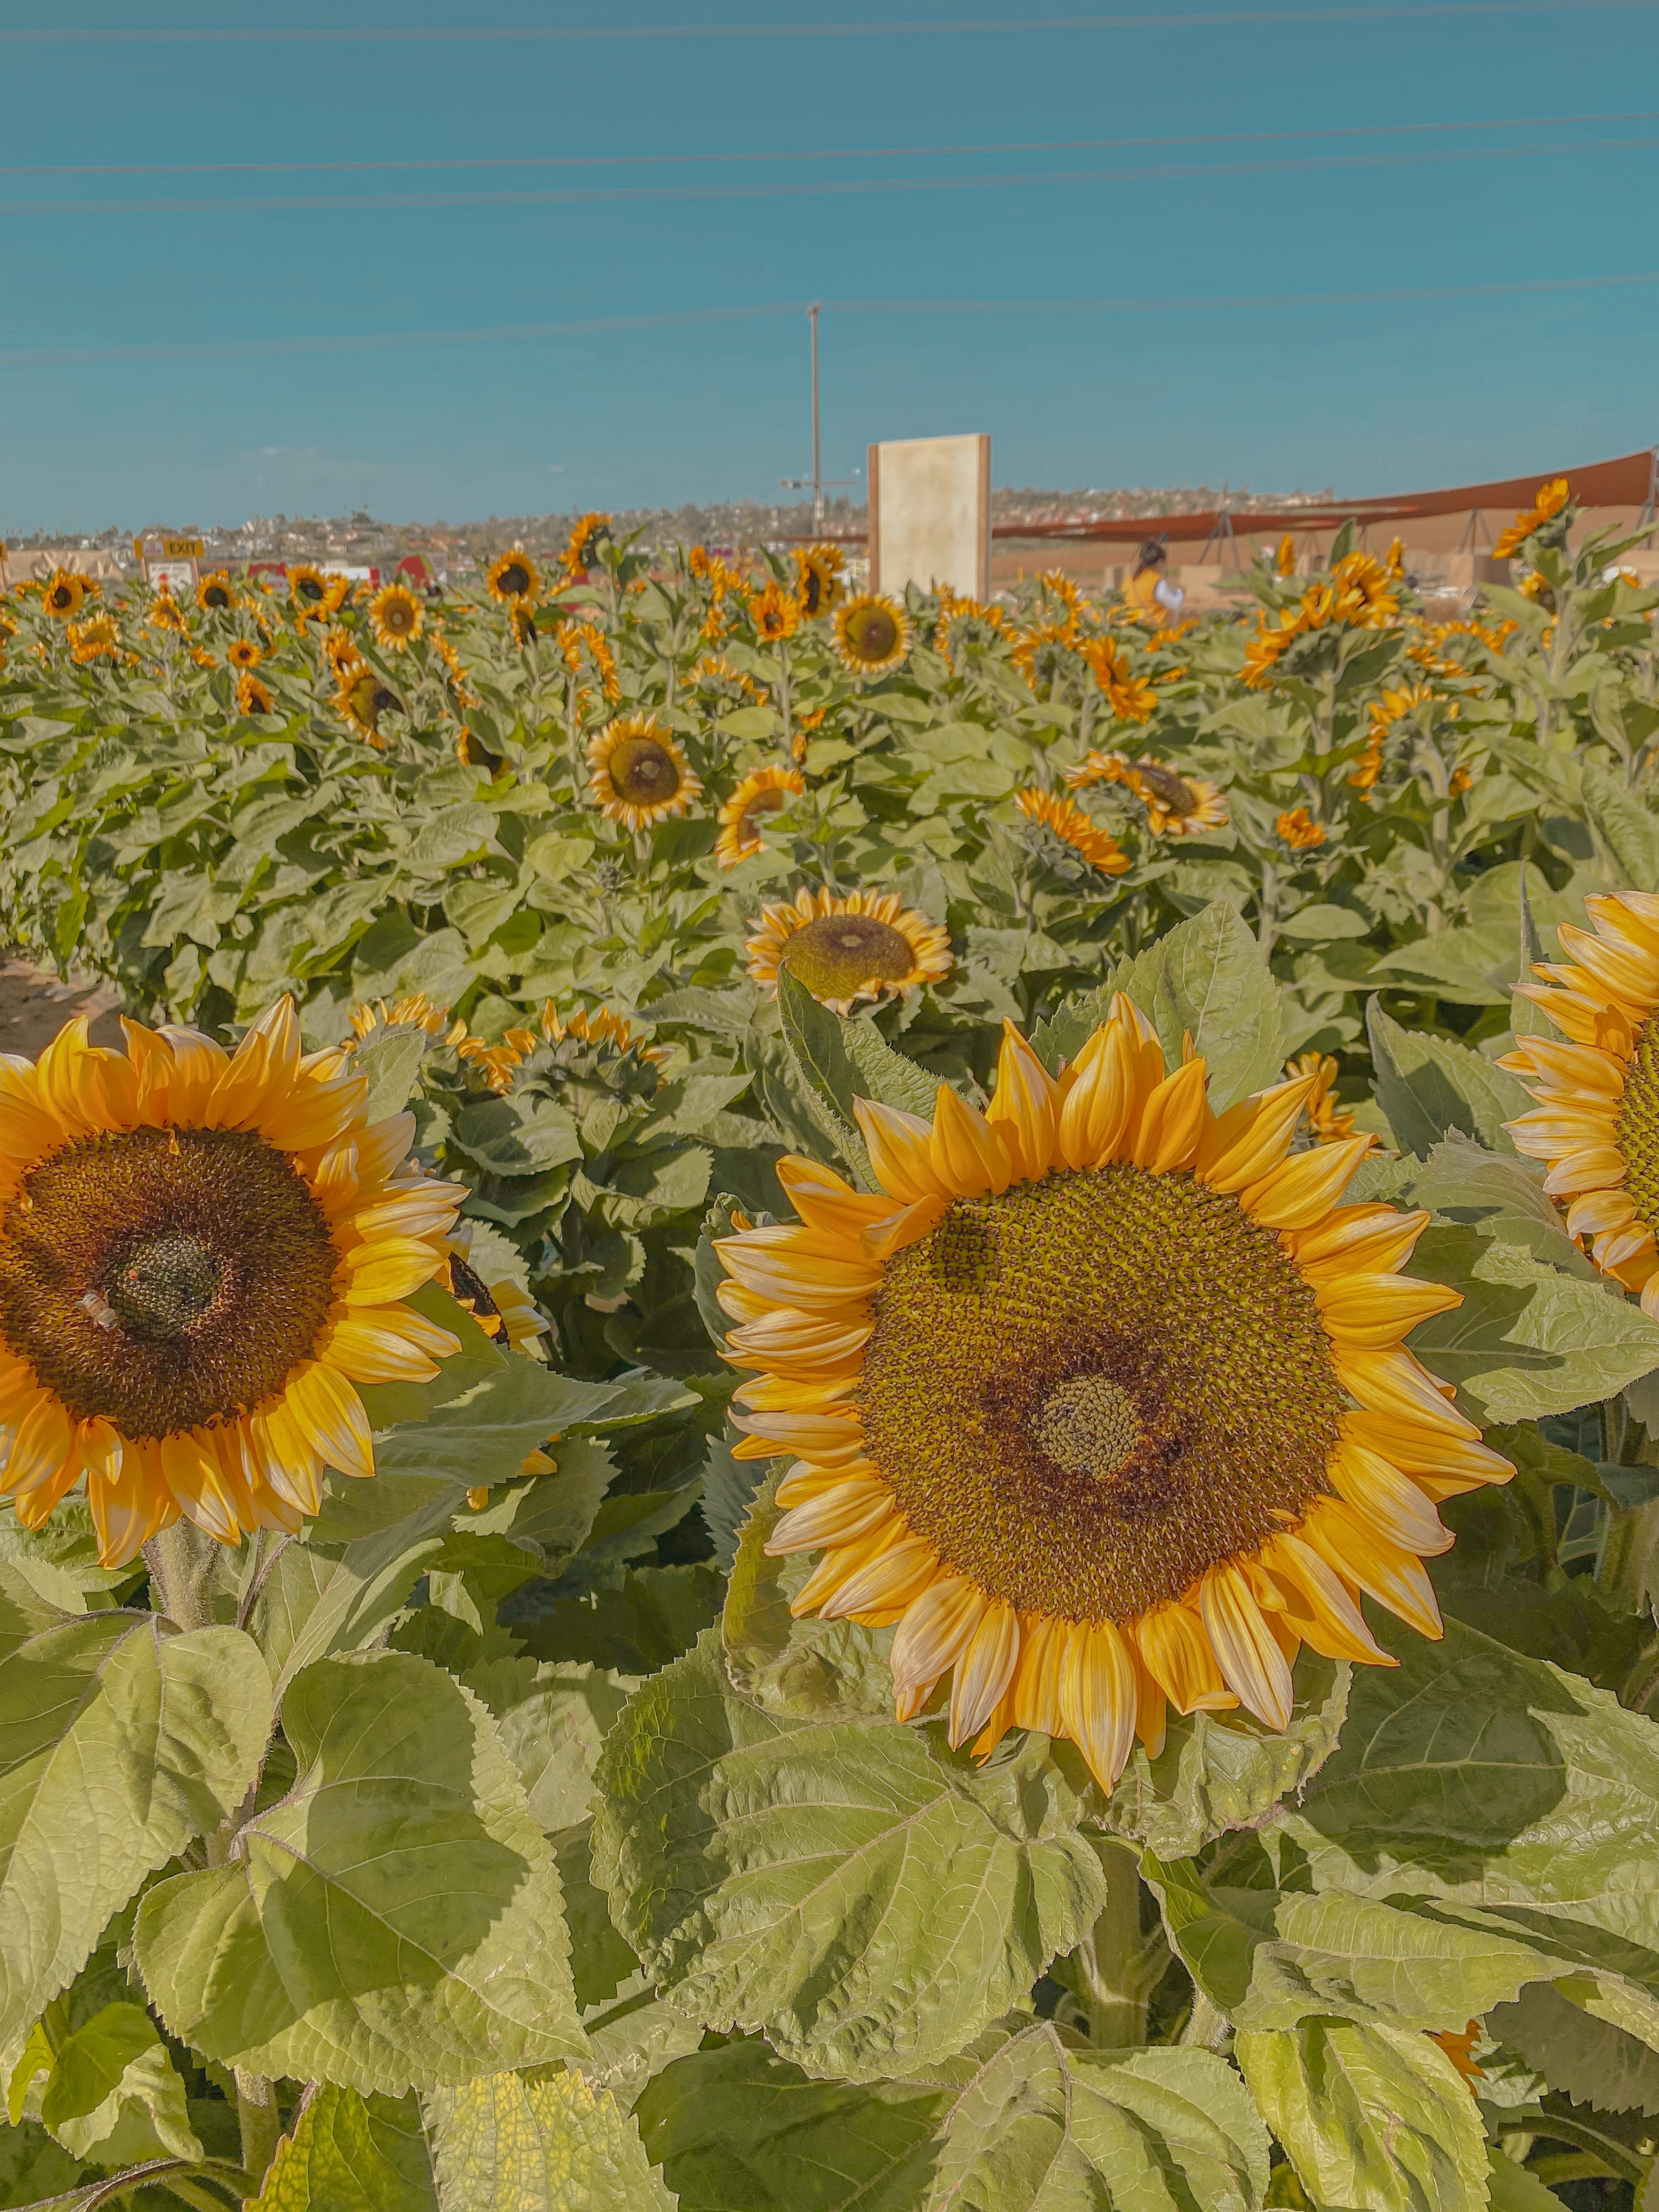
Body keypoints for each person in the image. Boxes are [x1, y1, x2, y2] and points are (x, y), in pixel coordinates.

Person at [1122, 538, 1186, 627]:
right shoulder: (1157, 581)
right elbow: (1175, 604)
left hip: (1133, 631)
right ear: (1159, 562)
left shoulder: (1128, 581)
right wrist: (1181, 592)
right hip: (1154, 632)